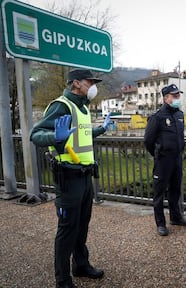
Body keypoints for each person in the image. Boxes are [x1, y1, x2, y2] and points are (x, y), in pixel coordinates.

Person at [30, 69, 112, 288]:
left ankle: (81, 265)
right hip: (68, 177)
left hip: (84, 177)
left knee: (81, 226)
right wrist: (54, 137)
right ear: (76, 83)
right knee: (67, 229)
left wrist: (101, 129)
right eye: (90, 82)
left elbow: (82, 134)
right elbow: (35, 134)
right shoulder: (61, 105)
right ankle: (63, 280)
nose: (93, 86)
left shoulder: (81, 107)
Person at [144, 84, 186, 236]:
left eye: (178, 95)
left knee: (175, 189)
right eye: (175, 95)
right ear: (166, 98)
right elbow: (148, 141)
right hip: (163, 160)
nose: (178, 98)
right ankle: (160, 224)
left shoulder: (179, 115)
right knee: (159, 193)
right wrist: (158, 154)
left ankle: (175, 217)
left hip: (176, 159)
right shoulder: (157, 117)